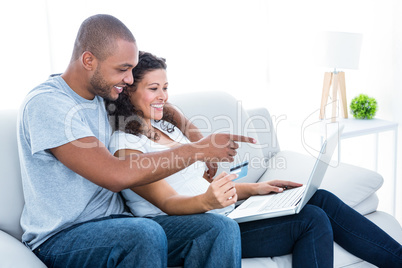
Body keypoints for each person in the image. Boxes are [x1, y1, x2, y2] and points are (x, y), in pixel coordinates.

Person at [107, 51, 402, 267]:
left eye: (166, 88)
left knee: (318, 198)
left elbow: (198, 184)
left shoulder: (164, 126)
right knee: (311, 220)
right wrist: (212, 202)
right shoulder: (127, 145)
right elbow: (169, 202)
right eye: (153, 89)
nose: (162, 96)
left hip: (220, 212)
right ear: (129, 92)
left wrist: (256, 189)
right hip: (195, 226)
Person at [17, 14, 257, 268]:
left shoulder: (101, 95)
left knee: (218, 228)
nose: (129, 79)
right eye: (122, 70)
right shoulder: (48, 104)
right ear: (88, 60)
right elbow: (114, 175)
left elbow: (163, 106)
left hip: (118, 224)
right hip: (63, 238)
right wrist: (198, 150)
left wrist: (196, 134)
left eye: (131, 70)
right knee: (143, 234)